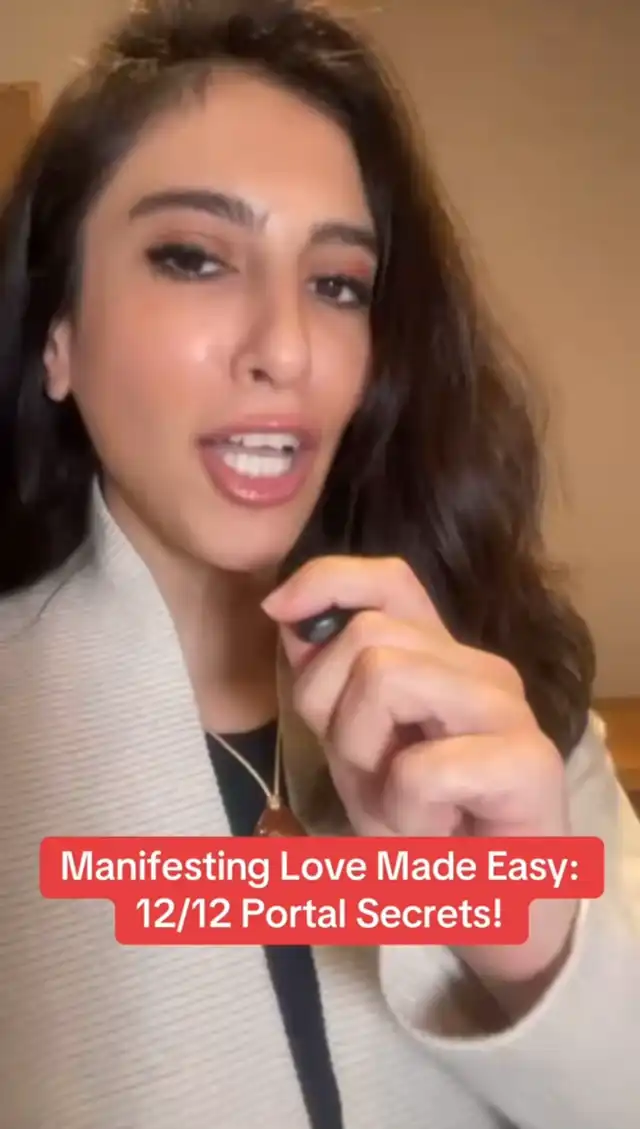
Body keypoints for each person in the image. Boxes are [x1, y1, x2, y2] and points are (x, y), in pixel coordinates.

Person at [0, 0, 638, 1125]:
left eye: (337, 283)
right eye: (194, 258)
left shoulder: (494, 671)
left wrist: (537, 943)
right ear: (58, 337)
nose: (287, 350)